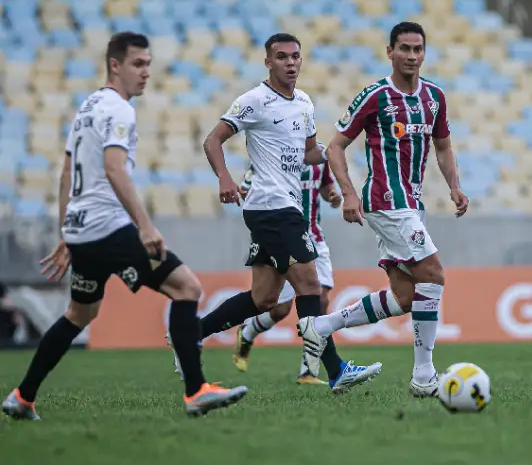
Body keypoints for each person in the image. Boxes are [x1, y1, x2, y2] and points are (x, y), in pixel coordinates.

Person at [2, 32, 247, 421]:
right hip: (108, 229)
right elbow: (114, 169)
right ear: (114, 65)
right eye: (138, 64)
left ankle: (22, 396)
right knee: (186, 288)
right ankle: (196, 390)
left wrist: (67, 233)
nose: (146, 72)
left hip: (83, 231)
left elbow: (66, 174)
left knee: (79, 314)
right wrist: (145, 225)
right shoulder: (119, 110)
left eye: (148, 64)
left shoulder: (87, 107)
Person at [170, 32, 381, 394]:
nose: (290, 62)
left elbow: (309, 153)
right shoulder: (255, 100)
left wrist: (338, 147)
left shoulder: (304, 103)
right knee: (310, 287)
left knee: (263, 299)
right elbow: (212, 140)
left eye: (295, 56)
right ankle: (336, 370)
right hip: (272, 207)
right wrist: (225, 177)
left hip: (281, 207)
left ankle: (190, 336)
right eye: (281, 57)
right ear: (268, 62)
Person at [296, 21, 469, 398]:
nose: (411, 56)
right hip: (386, 201)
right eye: (404, 48)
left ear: (424, 53)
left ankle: (321, 326)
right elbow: (335, 146)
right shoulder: (375, 96)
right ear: (390, 52)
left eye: (418, 49)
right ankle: (423, 376)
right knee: (433, 274)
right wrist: (348, 193)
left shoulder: (435, 97)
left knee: (405, 297)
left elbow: (442, 146)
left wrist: (454, 186)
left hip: (412, 206)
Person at [231, 162, 341, 386]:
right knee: (279, 309)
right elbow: (247, 189)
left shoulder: (320, 157)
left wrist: (332, 195)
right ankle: (248, 332)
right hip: (285, 237)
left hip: (315, 238)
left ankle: (308, 369)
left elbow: (326, 185)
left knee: (320, 300)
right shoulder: (273, 153)